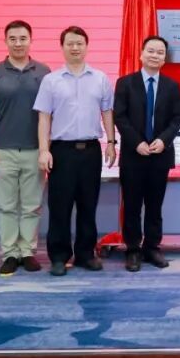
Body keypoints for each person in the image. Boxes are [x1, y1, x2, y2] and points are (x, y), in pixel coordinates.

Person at [33, 26, 116, 276]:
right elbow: (44, 118)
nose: (75, 47)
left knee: (88, 205)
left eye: (79, 43)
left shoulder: (100, 78)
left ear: (86, 46)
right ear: (62, 47)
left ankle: (85, 254)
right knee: (60, 206)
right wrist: (44, 150)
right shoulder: (51, 80)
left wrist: (111, 142)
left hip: (91, 151)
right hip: (62, 151)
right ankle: (59, 256)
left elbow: (107, 112)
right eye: (70, 43)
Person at [0, 20, 51, 275]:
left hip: (34, 150)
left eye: (22, 38)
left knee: (32, 206)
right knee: (6, 206)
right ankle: (10, 253)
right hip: (3, 151)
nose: (18, 43)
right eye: (13, 39)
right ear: (5, 41)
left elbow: (49, 114)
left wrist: (45, 148)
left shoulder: (44, 72)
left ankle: (27, 252)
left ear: (30, 40)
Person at [113, 36, 180, 272]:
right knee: (132, 205)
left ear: (165, 58)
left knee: (155, 206)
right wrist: (136, 143)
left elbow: (177, 118)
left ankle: (152, 247)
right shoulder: (125, 83)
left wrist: (163, 140)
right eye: (151, 51)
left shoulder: (172, 86)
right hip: (133, 156)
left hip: (160, 156)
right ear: (141, 54)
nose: (155, 55)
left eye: (160, 52)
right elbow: (120, 116)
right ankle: (133, 249)